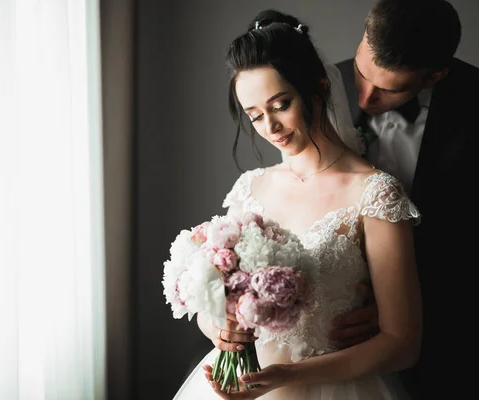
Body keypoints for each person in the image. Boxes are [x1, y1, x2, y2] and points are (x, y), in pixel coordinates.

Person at [172, 9, 422, 400]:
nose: (270, 128)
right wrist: (218, 328)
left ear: (318, 86)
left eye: (280, 104)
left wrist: (287, 375)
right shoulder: (250, 188)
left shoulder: (375, 193)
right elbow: (218, 300)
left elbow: (401, 343)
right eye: (254, 117)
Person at [329, 1, 479, 399]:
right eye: (361, 73)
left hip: (454, 348)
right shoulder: (322, 84)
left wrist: (401, 310)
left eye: (389, 88)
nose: (364, 98)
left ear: (435, 76)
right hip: (341, 344)